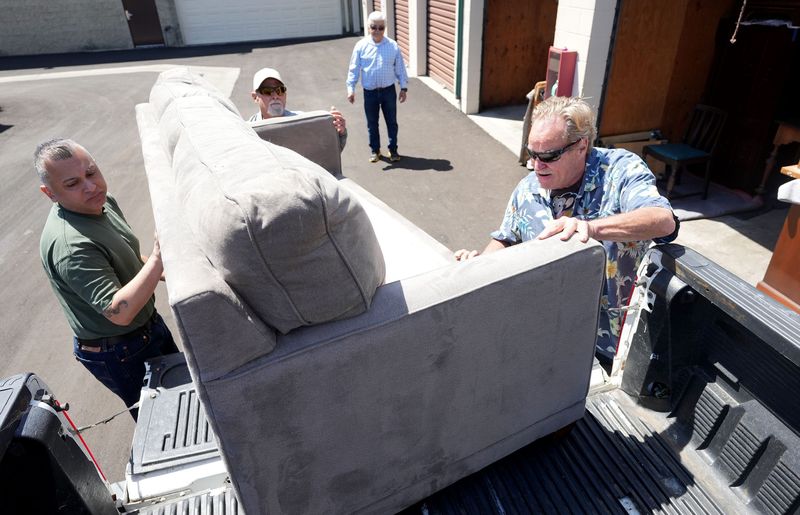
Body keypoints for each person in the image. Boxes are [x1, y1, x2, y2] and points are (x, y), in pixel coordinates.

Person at [455, 96, 679, 365]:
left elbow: (662, 220)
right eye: (532, 154)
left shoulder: (619, 170)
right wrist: (477, 265)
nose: (536, 165)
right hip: (547, 336)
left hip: (612, 345)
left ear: (581, 145)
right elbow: (506, 238)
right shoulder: (528, 188)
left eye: (548, 156)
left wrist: (590, 227)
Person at [36, 138, 178, 419]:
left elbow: (128, 257)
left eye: (91, 173)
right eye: (72, 183)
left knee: (186, 394)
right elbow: (118, 312)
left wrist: (170, 272)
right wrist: (161, 255)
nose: (90, 186)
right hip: (121, 349)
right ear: (50, 193)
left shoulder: (101, 203)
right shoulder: (71, 246)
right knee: (165, 421)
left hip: (147, 325)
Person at [346, 10, 409, 163]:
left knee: (391, 122)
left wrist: (404, 88)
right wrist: (351, 89)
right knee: (372, 123)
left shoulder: (393, 46)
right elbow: (353, 69)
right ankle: (375, 150)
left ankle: (393, 150)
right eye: (374, 27)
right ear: (369, 27)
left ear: (385, 28)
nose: (377, 31)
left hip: (388, 91)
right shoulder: (361, 46)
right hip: (370, 93)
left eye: (381, 27)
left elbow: (400, 68)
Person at [248, 67, 348, 151]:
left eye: (280, 90)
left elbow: (326, 155)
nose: (275, 96)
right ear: (255, 97)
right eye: (267, 91)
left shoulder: (304, 122)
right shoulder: (246, 132)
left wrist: (338, 133)